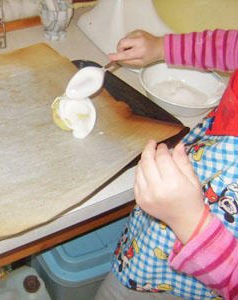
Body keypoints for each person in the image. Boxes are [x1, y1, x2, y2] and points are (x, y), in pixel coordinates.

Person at [95, 29, 238, 300]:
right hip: (169, 219)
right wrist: (163, 48)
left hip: (193, 283)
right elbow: (231, 46)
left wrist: (189, 220)